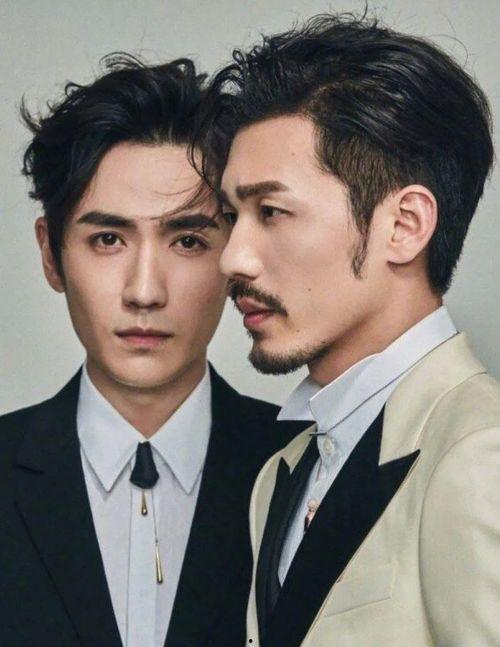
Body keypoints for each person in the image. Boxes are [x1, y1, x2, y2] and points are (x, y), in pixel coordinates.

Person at [197, 12, 500, 646]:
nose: (233, 258)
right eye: (231, 216)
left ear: (405, 226)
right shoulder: (280, 474)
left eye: (271, 211)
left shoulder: (479, 452)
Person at [0, 55, 304, 647]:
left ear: (237, 254)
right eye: (107, 239)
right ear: (50, 255)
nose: (145, 291)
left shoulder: (303, 469)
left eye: (187, 241)